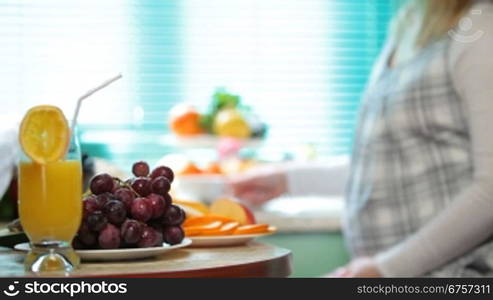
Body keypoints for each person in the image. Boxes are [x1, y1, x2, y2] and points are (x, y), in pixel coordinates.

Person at [230, 0, 493, 277]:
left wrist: (384, 269)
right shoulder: (409, 31)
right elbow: (386, 168)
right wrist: (287, 180)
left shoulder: (479, 30)